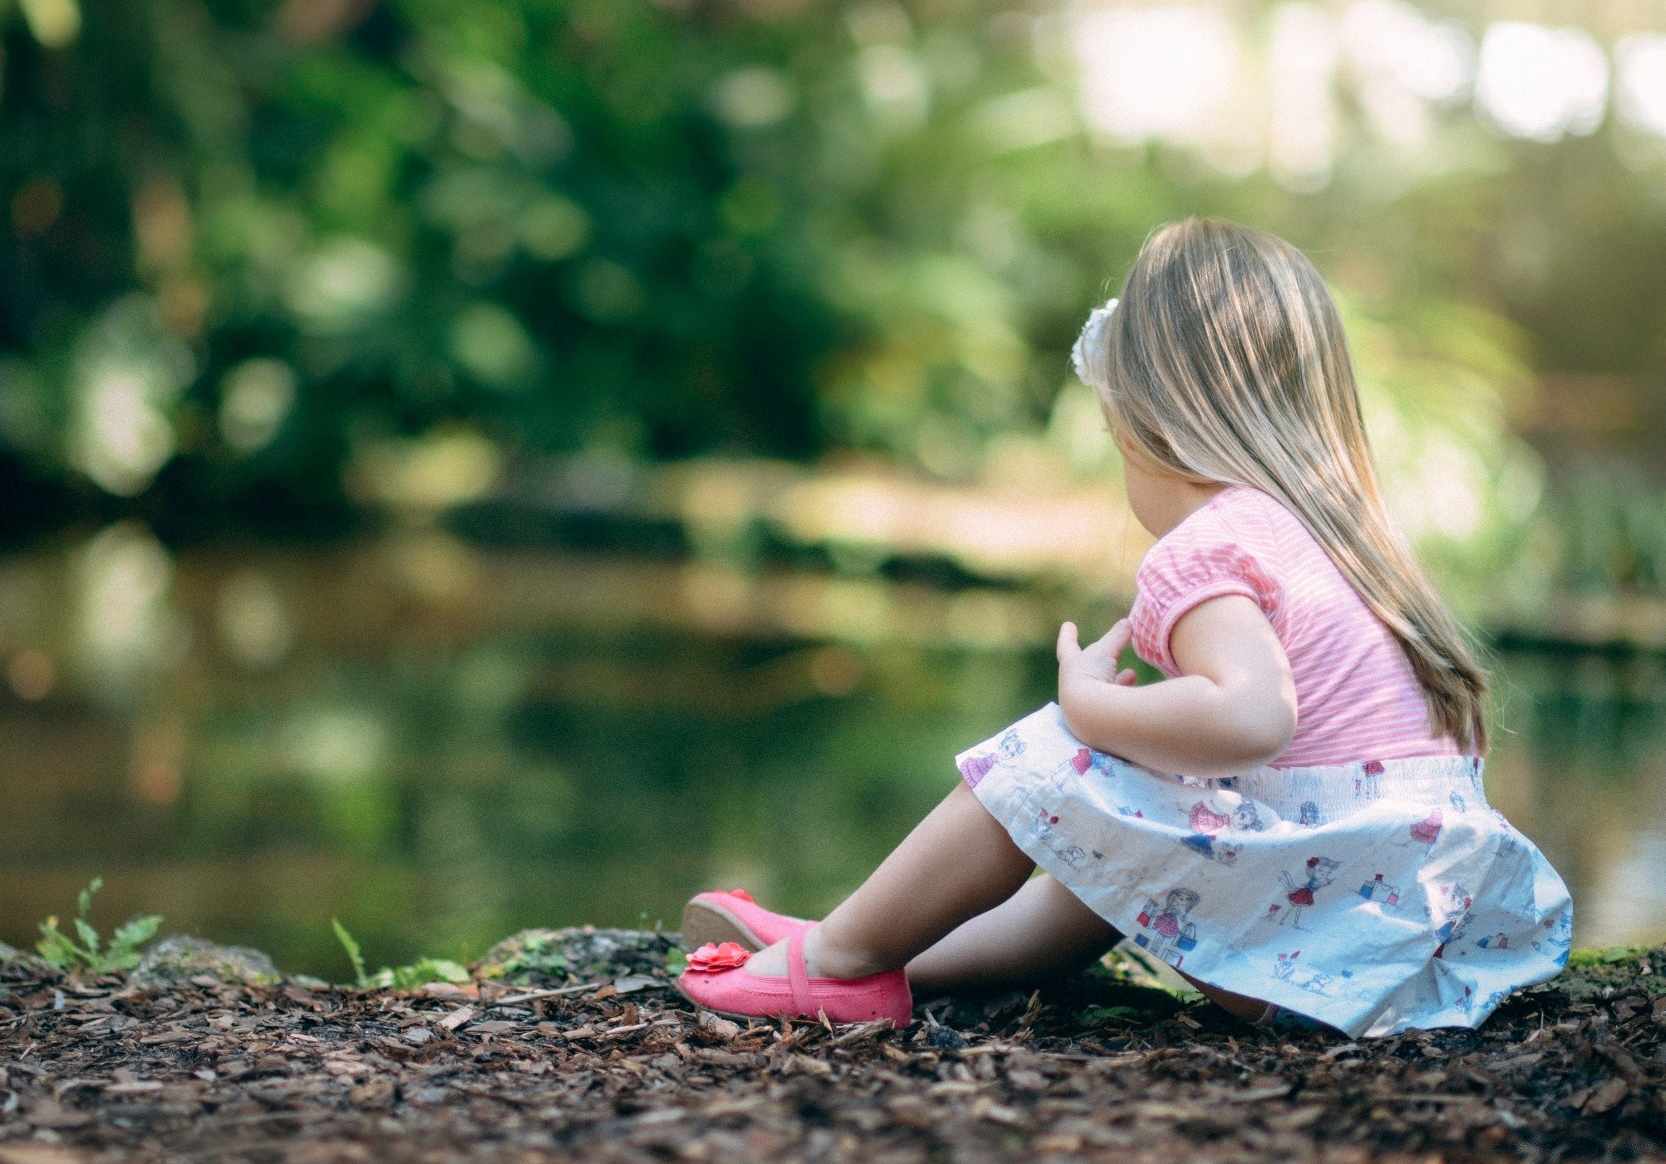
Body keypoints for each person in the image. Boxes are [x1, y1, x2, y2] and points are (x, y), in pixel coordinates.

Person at [673, 218, 1572, 1037]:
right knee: (1130, 813)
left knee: (1063, 756)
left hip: (1323, 945)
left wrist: (1088, 708)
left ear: (1143, 422)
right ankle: (868, 943)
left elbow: (1258, 717)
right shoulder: (1352, 543)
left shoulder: (1211, 545)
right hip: (1418, 946)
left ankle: (836, 965)